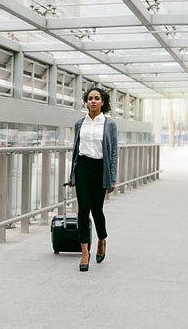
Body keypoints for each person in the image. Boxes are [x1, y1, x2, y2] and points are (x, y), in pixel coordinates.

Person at [68, 87, 118, 272]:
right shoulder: (79, 124)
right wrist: (72, 174)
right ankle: (84, 252)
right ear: (86, 102)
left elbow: (113, 153)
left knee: (97, 210)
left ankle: (102, 239)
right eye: (90, 98)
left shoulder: (109, 124)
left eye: (97, 98)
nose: (93, 101)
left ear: (103, 102)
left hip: (100, 169)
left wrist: (112, 178)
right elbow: (75, 150)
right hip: (83, 167)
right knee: (83, 210)